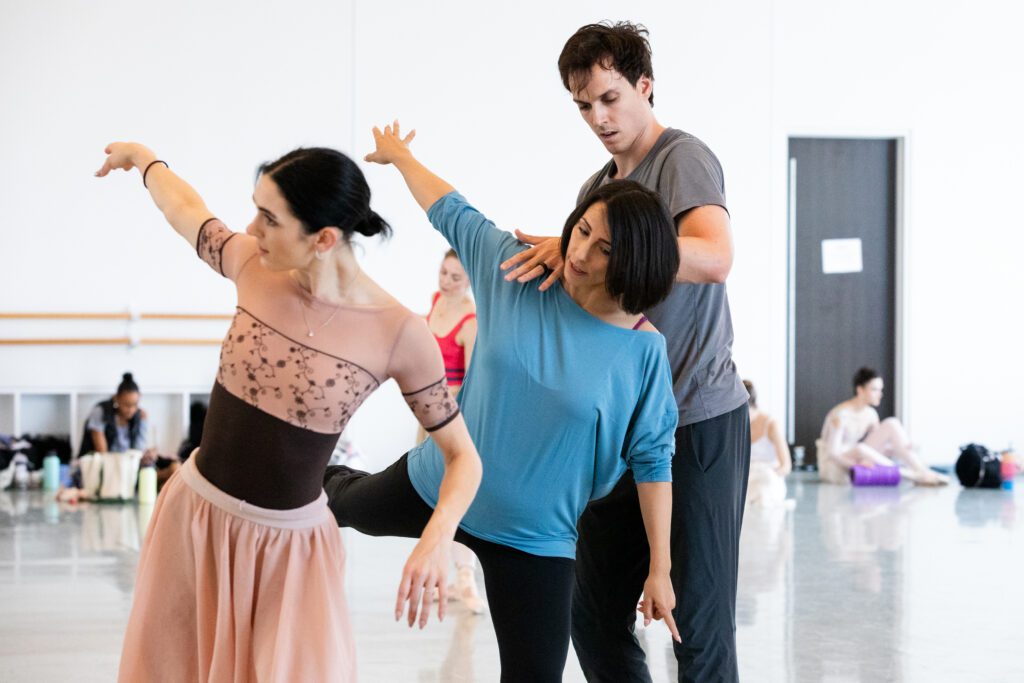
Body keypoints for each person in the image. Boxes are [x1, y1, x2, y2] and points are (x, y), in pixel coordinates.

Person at [95, 141, 481, 682]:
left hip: (290, 553)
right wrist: (144, 159)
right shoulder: (252, 264)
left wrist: (436, 539)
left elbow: (464, 459)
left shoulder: (399, 334)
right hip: (196, 520)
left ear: (323, 239)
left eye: (269, 218)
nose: (251, 228)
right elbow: (184, 209)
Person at [323, 121, 681, 682]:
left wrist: (659, 568)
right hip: (437, 484)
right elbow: (452, 209)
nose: (581, 252)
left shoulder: (643, 350)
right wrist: (400, 157)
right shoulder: (515, 270)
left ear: (633, 260)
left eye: (604, 247)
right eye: (581, 230)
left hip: (536, 540)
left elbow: (653, 461)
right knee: (341, 504)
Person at [500, 22, 750, 681]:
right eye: (584, 105)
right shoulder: (596, 188)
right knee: (592, 618)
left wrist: (591, 250)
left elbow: (716, 256)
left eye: (610, 97)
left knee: (696, 626)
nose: (598, 117)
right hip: (619, 434)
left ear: (644, 86)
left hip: (697, 421)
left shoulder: (682, 159)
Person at [424, 249, 485, 614]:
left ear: (469, 282)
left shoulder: (471, 322)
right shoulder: (435, 302)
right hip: (426, 414)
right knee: (431, 495)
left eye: (455, 278)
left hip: (454, 418)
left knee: (457, 500)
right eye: (443, 273)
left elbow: (473, 381)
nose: (446, 282)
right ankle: (442, 576)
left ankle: (466, 578)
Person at [817, 367, 949, 486]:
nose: (880, 394)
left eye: (880, 390)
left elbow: (879, 450)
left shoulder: (870, 414)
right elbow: (833, 454)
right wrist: (855, 464)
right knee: (861, 448)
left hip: (858, 455)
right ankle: (912, 475)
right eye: (874, 389)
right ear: (860, 390)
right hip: (836, 467)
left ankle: (922, 471)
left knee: (892, 423)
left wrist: (901, 448)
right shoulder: (840, 415)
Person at [77, 372, 179, 489]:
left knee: (175, 466)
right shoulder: (101, 412)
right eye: (126, 405)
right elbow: (103, 454)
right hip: (104, 466)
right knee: (153, 475)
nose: (131, 410)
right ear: (116, 398)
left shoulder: (140, 416)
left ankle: (158, 479)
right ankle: (158, 479)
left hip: (129, 466)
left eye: (135, 405)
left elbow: (137, 451)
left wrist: (147, 455)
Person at [743, 380, 792, 508]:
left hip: (767, 478)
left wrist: (769, 475)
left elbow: (786, 466)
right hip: (744, 477)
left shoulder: (771, 424)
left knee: (762, 493)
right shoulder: (734, 425)